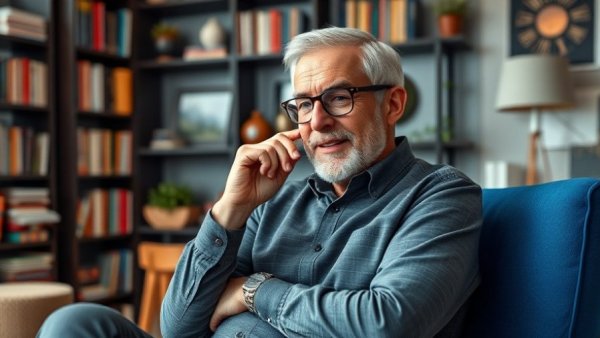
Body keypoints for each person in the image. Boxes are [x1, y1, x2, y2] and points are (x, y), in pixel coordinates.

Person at [38, 27, 481, 338]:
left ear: (393, 103)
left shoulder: (440, 195)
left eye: (339, 98)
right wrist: (230, 209)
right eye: (303, 105)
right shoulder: (271, 200)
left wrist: (254, 292)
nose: (318, 122)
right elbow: (177, 327)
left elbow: (387, 324)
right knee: (75, 323)